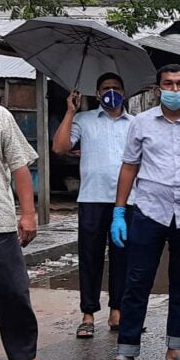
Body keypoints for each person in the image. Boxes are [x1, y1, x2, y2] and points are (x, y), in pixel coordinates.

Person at [101, 64, 180, 360]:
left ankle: (176, 347)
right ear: (158, 89)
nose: (175, 89)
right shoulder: (141, 123)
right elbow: (129, 166)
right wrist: (118, 211)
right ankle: (126, 351)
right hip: (149, 212)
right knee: (137, 282)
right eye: (168, 84)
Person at [52, 73, 134, 338]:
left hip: (127, 201)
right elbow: (59, 148)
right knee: (90, 257)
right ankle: (88, 314)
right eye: (106, 88)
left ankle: (117, 311)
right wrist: (70, 111)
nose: (111, 92)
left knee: (122, 258)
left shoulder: (135, 124)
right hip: (91, 198)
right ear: (97, 94)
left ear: (124, 92)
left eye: (116, 88)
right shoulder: (83, 120)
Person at [0, 105, 57, 360]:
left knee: (14, 292)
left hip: (0, 224)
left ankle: (26, 355)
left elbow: (19, 166)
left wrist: (29, 214)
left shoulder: (0, 116)